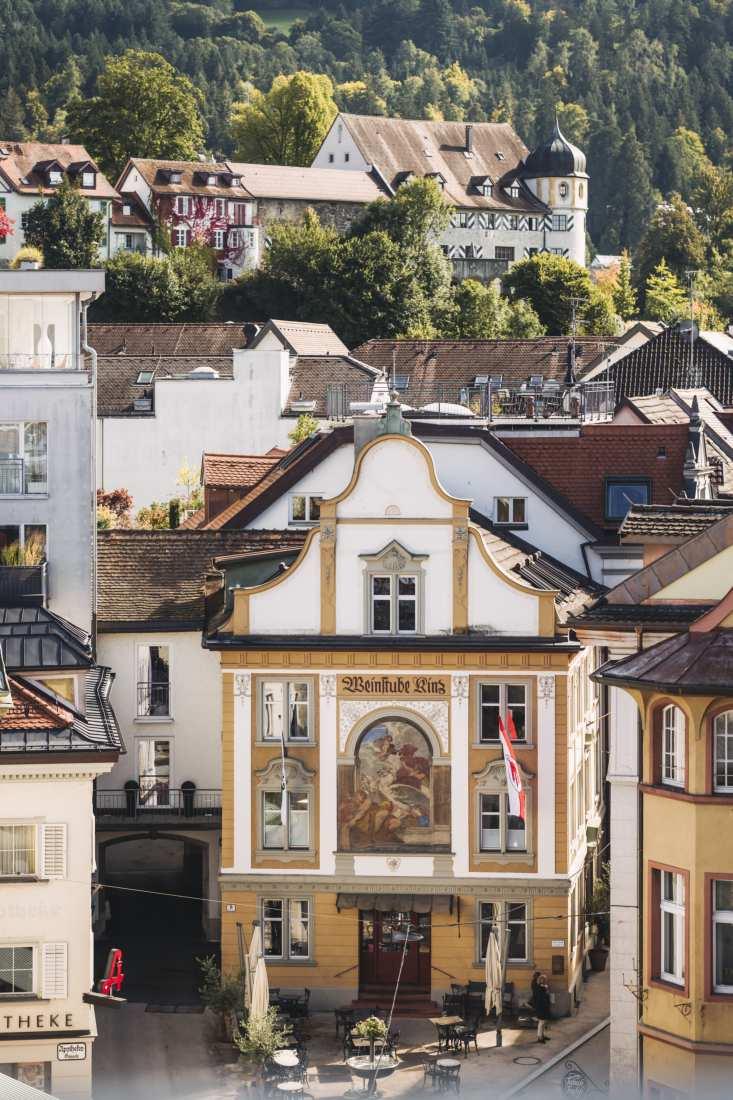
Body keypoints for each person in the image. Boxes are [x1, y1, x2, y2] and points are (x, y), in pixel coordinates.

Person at [534, 973, 552, 1043]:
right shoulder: (539, 988)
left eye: (544, 979)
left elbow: (547, 996)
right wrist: (545, 989)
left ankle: (543, 1035)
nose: (543, 981)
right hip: (541, 1007)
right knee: (541, 1023)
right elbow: (540, 998)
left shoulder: (544, 987)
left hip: (545, 1007)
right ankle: (539, 1037)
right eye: (542, 979)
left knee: (544, 1022)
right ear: (539, 980)